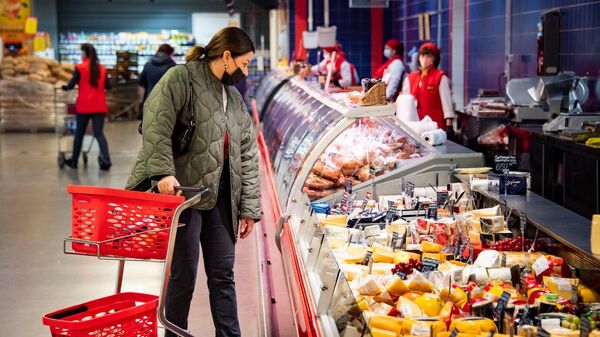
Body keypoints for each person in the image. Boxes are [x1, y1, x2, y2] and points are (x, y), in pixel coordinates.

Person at [125, 27, 261, 337]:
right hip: (183, 194)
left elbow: (248, 153)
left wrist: (249, 206)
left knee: (223, 275)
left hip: (222, 196)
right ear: (227, 56)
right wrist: (162, 172)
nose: (246, 70)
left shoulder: (235, 97)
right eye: (245, 62)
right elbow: (155, 124)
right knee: (183, 275)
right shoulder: (181, 78)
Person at [62, 43, 112, 170]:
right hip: (99, 105)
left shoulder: (80, 67)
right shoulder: (102, 68)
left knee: (79, 133)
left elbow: (71, 85)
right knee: (99, 133)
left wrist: (66, 87)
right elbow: (109, 85)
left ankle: (73, 162)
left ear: (84, 52)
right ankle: (106, 160)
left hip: (84, 106)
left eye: (81, 52)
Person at [402, 42, 454, 137]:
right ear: (418, 57)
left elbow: (447, 103)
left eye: (429, 56)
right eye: (422, 55)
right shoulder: (410, 78)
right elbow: (404, 102)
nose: (425, 59)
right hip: (416, 126)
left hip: (435, 127)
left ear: (434, 58)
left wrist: (449, 124)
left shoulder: (440, 77)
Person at [138, 44, 177, 120]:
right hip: (166, 102)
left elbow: (141, 83)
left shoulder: (148, 64)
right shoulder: (172, 66)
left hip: (149, 99)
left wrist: (141, 101)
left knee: (149, 126)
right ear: (169, 53)